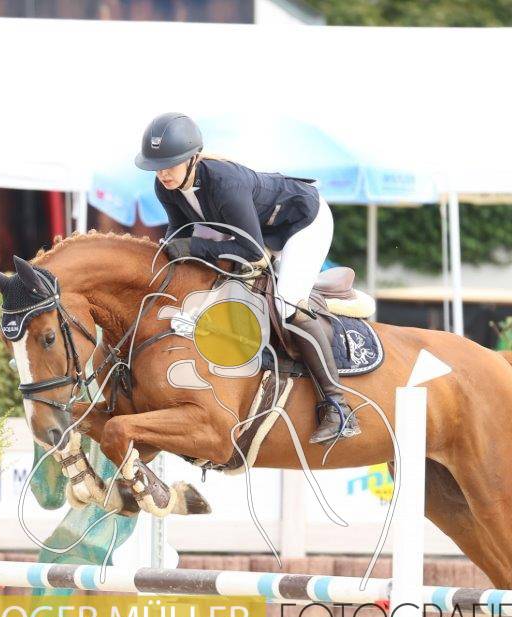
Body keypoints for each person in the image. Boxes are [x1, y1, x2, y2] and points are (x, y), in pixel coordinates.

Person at [134, 112, 359, 444]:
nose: (163, 172)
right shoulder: (165, 187)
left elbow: (252, 253)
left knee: (287, 304)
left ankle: (338, 408)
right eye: (157, 166)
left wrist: (193, 247)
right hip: (260, 232)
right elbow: (179, 231)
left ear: (193, 157)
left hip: (303, 223)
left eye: (170, 164)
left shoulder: (224, 183)